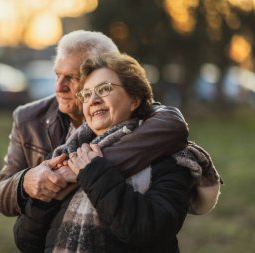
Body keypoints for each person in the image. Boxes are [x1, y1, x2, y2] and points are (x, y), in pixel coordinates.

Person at [13, 52, 221, 253]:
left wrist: (94, 174)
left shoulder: (170, 159)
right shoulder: (68, 155)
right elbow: (26, 242)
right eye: (86, 94)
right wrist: (49, 195)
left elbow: (149, 232)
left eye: (104, 89)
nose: (93, 100)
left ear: (134, 99)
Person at [0, 30, 189, 218]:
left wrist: (85, 169)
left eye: (71, 77)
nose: (58, 87)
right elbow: (2, 194)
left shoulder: (149, 119)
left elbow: (174, 124)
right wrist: (25, 182)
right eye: (57, 75)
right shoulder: (28, 118)